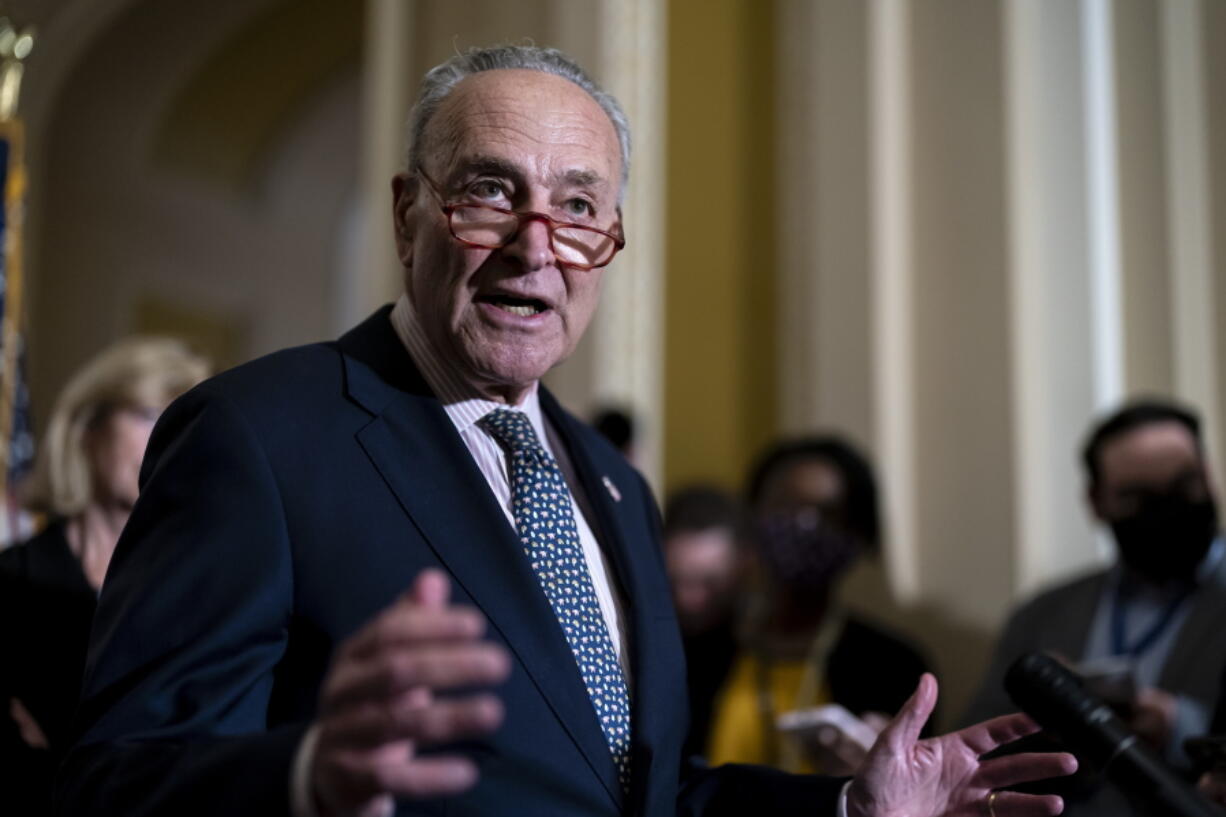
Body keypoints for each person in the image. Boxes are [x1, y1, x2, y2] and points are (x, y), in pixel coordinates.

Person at [55, 45, 1074, 817]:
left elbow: (645, 786)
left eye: (578, 206)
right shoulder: (257, 434)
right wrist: (307, 774)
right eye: (491, 192)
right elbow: (119, 772)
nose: (535, 246)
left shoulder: (610, 482)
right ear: (410, 215)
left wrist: (850, 805)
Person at [963, 399, 1226, 815]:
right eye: (1138, 496)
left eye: (1182, 485)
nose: (1166, 509)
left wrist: (1179, 728)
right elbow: (974, 747)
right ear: (1096, 501)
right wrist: (1037, 726)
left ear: (1209, 476)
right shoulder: (1043, 614)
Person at [0, 337, 208, 815]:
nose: (167, 439)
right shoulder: (13, 582)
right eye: (150, 415)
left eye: (182, 423)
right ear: (87, 428)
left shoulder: (199, 587)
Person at [707, 436, 933, 775]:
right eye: (785, 506)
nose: (803, 524)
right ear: (753, 515)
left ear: (860, 533)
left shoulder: (894, 669)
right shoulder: (694, 653)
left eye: (827, 513)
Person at [661, 485, 746, 759]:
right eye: (675, 582)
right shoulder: (647, 645)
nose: (689, 599)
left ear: (743, 567)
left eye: (709, 583)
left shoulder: (761, 645)